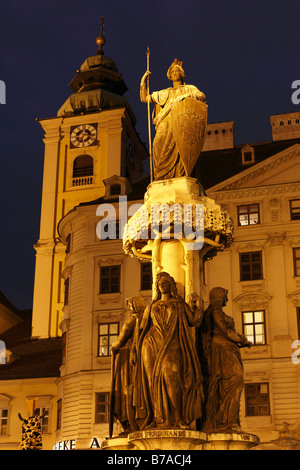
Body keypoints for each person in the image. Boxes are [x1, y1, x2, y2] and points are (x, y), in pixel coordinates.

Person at [133, 272, 204, 430]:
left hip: (172, 343)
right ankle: (157, 418)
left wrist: (199, 307)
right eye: (159, 282)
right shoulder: (152, 306)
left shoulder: (179, 304)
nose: (161, 284)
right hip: (150, 343)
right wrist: (134, 349)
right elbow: (143, 328)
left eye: (165, 281)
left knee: (171, 374)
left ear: (171, 285)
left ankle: (177, 418)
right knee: (152, 381)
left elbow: (194, 321)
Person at [140, 59, 206, 180]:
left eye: (177, 71)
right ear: (169, 76)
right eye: (172, 71)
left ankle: (179, 175)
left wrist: (186, 96)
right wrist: (143, 80)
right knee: (157, 145)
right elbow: (144, 98)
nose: (175, 72)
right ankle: (161, 175)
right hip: (164, 123)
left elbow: (201, 96)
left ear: (182, 74)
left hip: (180, 123)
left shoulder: (190, 88)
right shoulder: (164, 93)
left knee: (180, 148)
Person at [199, 287, 251, 433]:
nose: (227, 300)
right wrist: (243, 340)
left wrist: (240, 341)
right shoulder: (215, 312)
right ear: (218, 297)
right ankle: (226, 421)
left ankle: (229, 421)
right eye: (225, 297)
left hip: (228, 350)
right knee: (235, 380)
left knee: (232, 382)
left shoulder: (217, 312)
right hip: (221, 351)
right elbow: (226, 331)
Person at [110, 296, 145, 434]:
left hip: (126, 358)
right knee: (136, 389)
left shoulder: (132, 320)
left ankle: (128, 421)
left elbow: (120, 339)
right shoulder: (146, 319)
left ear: (135, 306)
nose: (129, 308)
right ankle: (136, 421)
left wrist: (113, 347)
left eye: (130, 305)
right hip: (140, 358)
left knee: (124, 389)